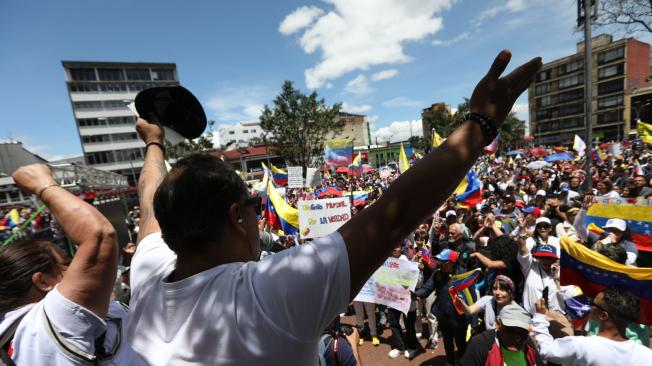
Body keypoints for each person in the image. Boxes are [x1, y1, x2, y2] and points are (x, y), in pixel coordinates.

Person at [125, 50, 542, 365]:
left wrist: (154, 143)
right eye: (254, 205)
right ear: (237, 216)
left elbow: (149, 200)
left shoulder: (147, 271)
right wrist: (481, 123)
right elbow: (397, 212)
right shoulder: (267, 294)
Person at [0, 164, 143, 365]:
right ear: (42, 281)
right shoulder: (50, 319)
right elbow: (99, 235)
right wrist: (42, 185)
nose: (74, 267)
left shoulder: (17, 333)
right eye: (65, 264)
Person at [533, 288, 652, 365]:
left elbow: (545, 350)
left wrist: (539, 316)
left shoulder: (580, 346)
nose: (589, 306)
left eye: (593, 303)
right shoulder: (647, 356)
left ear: (603, 316)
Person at [459, 303, 542, 366]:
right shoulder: (480, 345)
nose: (517, 338)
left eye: (523, 332)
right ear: (498, 324)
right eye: (511, 330)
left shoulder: (529, 346)